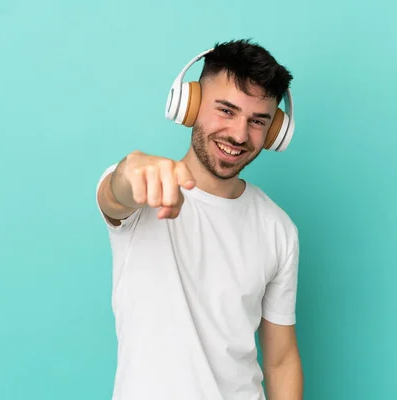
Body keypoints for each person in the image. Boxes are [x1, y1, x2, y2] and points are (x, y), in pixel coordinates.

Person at [96, 39, 302, 399]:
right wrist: (129, 171)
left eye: (257, 121)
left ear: (273, 133)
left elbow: (281, 360)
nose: (239, 135)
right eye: (226, 110)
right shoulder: (144, 187)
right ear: (189, 106)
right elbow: (115, 195)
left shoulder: (278, 229)